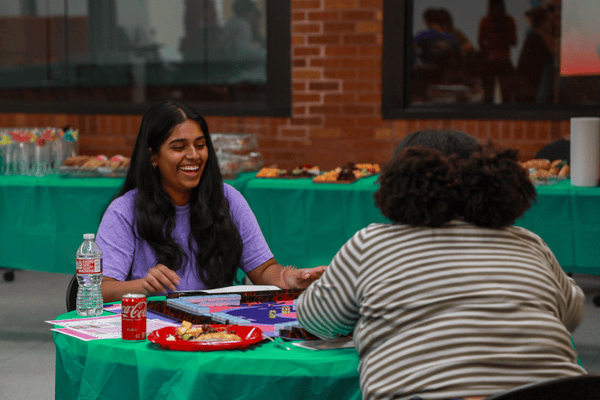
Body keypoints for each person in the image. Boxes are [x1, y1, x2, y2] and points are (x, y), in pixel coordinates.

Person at [296, 129, 586, 400]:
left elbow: (315, 319)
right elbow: (572, 313)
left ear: (397, 181)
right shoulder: (528, 241)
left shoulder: (371, 243)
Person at [97, 101, 325, 303]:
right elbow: (100, 289)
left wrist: (288, 278)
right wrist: (143, 286)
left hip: (218, 331)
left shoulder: (227, 199)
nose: (194, 155)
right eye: (178, 147)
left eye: (200, 145)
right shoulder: (124, 211)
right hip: (150, 336)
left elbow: (264, 269)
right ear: (153, 157)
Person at [478, 0, 517, 103]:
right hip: (502, 59)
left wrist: (490, 43)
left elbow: (481, 42)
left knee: (489, 97)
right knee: (506, 97)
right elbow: (514, 41)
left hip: (492, 60)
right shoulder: (508, 20)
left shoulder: (486, 21)